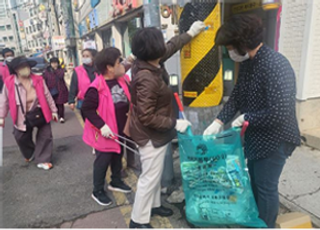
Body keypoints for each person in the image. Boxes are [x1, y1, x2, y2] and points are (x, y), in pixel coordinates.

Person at [203, 14, 301, 228]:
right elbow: (238, 96)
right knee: (255, 182)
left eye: (230, 47)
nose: (229, 53)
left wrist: (248, 117)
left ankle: (265, 225)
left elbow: (280, 112)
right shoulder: (249, 63)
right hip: (257, 137)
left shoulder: (275, 65)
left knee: (266, 187)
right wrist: (218, 121)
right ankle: (256, 220)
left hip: (276, 139)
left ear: (241, 44)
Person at [129, 21, 206, 228]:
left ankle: (152, 207)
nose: (164, 43)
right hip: (150, 135)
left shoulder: (149, 62)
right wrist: (174, 123)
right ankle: (137, 220)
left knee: (153, 175)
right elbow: (146, 116)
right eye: (160, 41)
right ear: (153, 49)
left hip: (155, 133)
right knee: (149, 178)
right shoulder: (146, 77)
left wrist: (190, 33)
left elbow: (172, 46)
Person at [81, 47, 132, 206]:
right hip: (105, 132)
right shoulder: (96, 87)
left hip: (120, 128)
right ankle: (97, 190)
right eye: (119, 62)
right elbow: (87, 109)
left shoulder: (121, 79)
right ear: (109, 67)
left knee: (118, 155)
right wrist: (101, 126)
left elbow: (127, 65)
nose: (121, 65)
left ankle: (115, 181)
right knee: (103, 161)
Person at [0, 56, 58, 170]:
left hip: (40, 112)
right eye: (22, 66)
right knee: (20, 136)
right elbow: (4, 100)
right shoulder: (9, 82)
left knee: (45, 136)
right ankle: (30, 152)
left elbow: (47, 95)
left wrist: (54, 110)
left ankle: (43, 159)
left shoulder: (38, 79)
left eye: (26, 66)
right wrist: (1, 116)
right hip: (22, 115)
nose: (25, 68)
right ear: (16, 69)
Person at [68, 49, 98, 115]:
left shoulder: (98, 69)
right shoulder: (78, 70)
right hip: (84, 101)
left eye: (87, 56)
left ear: (93, 57)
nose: (84, 58)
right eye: (83, 56)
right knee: (88, 123)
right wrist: (71, 101)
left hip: (99, 100)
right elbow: (73, 86)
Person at [43, 57, 69, 123]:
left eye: (55, 63)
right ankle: (56, 114)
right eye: (53, 63)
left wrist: (56, 70)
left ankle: (61, 117)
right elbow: (45, 80)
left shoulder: (60, 70)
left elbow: (61, 76)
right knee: (54, 103)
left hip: (60, 89)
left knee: (60, 103)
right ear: (50, 64)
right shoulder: (47, 71)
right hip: (51, 89)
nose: (54, 64)